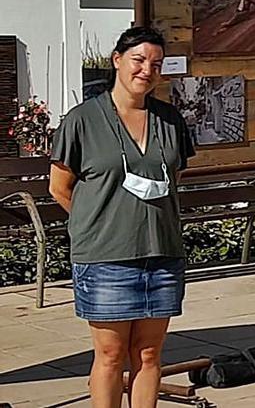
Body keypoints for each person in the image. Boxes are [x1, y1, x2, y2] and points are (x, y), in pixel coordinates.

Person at [49, 26, 196, 408]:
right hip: (106, 259)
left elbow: (173, 179)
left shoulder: (169, 120)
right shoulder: (82, 121)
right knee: (112, 357)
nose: (146, 69)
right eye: (139, 60)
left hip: (162, 254)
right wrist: (97, 223)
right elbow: (59, 187)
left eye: (156, 63)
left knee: (149, 356)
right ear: (117, 60)